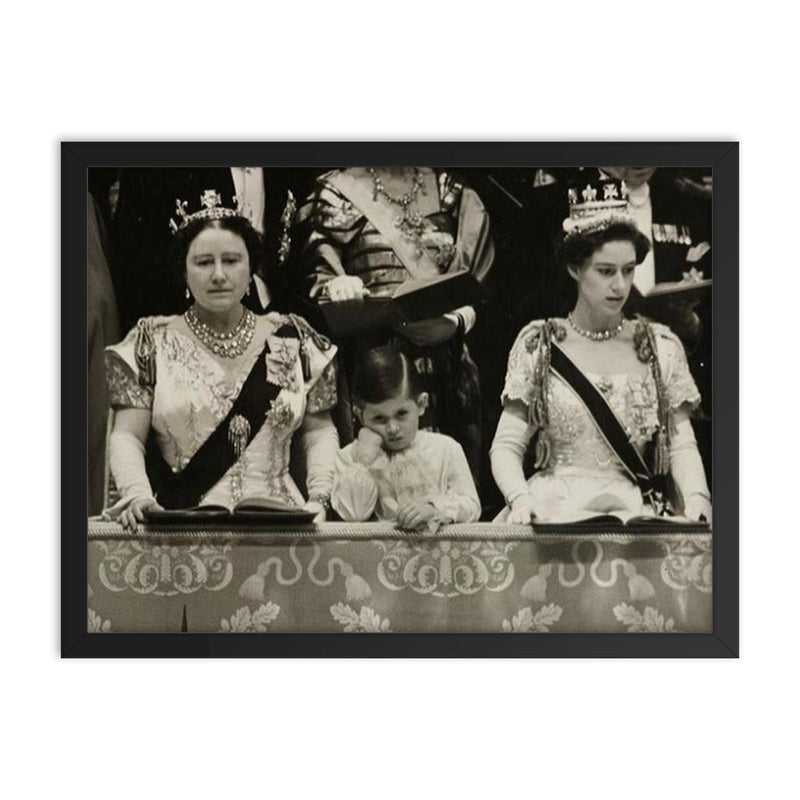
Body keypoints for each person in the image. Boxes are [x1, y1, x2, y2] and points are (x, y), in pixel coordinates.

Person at [104, 191, 339, 532]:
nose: (218, 274)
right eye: (203, 262)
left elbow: (319, 434)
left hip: (284, 528)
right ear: (183, 271)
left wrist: (319, 498)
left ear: (251, 267)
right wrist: (138, 496)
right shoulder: (150, 344)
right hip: (184, 527)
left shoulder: (294, 340)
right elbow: (128, 437)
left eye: (231, 260)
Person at [490, 196, 711, 524]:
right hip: (554, 511)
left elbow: (681, 446)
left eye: (628, 270)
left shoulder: (658, 347)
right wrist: (520, 498)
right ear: (575, 268)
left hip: (633, 514)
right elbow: (506, 446)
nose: (620, 285)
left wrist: (697, 497)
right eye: (606, 271)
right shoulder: (541, 345)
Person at [295, 166, 494, 482]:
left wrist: (455, 323)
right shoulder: (335, 193)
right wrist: (337, 285)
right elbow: (318, 274)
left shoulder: (452, 192)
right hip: (372, 365)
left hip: (446, 368)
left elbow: (477, 285)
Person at [332, 346, 480, 530]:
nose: (393, 428)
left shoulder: (445, 449)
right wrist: (362, 463)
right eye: (379, 419)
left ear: (421, 404)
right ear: (360, 416)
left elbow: (472, 506)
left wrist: (434, 509)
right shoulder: (348, 458)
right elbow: (355, 514)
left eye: (401, 414)